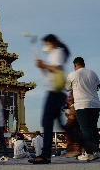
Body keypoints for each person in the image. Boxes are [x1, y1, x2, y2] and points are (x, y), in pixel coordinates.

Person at [30, 34, 70, 164]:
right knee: (59, 124)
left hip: (55, 92)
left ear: (51, 43)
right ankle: (86, 142)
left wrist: (44, 65)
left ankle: (46, 155)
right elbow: (49, 74)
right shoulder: (52, 54)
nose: (44, 46)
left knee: (47, 122)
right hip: (54, 91)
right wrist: (42, 67)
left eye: (45, 43)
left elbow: (57, 69)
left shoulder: (58, 52)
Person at [66, 57, 100, 161]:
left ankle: (88, 153)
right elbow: (99, 86)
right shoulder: (92, 73)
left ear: (75, 65)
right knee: (93, 128)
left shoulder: (72, 74)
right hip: (95, 104)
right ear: (84, 64)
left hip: (82, 104)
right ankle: (96, 151)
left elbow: (67, 88)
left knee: (85, 129)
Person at [62, 92, 82, 158]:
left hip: (74, 122)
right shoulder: (69, 106)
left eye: (70, 97)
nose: (68, 99)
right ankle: (76, 150)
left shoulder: (74, 106)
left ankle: (76, 150)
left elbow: (72, 116)